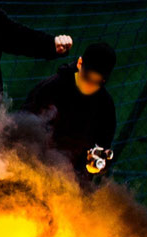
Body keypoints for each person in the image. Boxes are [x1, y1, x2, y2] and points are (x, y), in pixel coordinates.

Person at [22, 42, 117, 178]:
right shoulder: (51, 88)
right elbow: (23, 126)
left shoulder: (105, 107)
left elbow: (103, 147)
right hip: (33, 168)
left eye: (98, 81)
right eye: (88, 77)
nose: (90, 85)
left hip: (70, 181)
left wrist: (95, 166)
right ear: (79, 63)